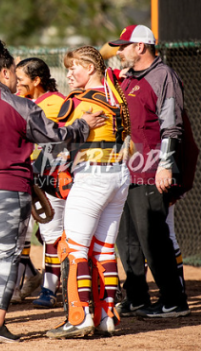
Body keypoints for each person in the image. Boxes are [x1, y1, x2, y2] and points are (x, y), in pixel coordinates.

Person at [0, 36, 105, 343]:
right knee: (5, 256)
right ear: (3, 73)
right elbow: (55, 136)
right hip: (5, 188)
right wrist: (84, 124)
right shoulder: (19, 104)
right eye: (14, 72)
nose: (16, 77)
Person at [46, 46, 132, 339]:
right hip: (120, 176)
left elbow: (56, 144)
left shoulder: (77, 101)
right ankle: (107, 314)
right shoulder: (115, 97)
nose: (68, 74)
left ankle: (79, 316)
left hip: (92, 176)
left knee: (74, 249)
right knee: (105, 250)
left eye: (74, 68)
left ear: (91, 68)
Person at [108, 25, 190, 318]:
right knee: (126, 239)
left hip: (151, 169)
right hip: (125, 170)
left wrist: (166, 166)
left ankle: (173, 300)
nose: (118, 52)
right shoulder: (127, 79)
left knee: (152, 236)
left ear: (140, 46)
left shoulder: (162, 75)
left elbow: (171, 126)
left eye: (123, 46)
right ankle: (138, 298)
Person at [15, 57, 66, 307]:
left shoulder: (55, 103)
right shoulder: (31, 102)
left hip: (54, 178)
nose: (17, 84)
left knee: (53, 234)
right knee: (46, 234)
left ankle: (50, 289)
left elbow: (58, 144)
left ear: (37, 81)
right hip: (37, 176)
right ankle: (51, 284)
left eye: (21, 80)